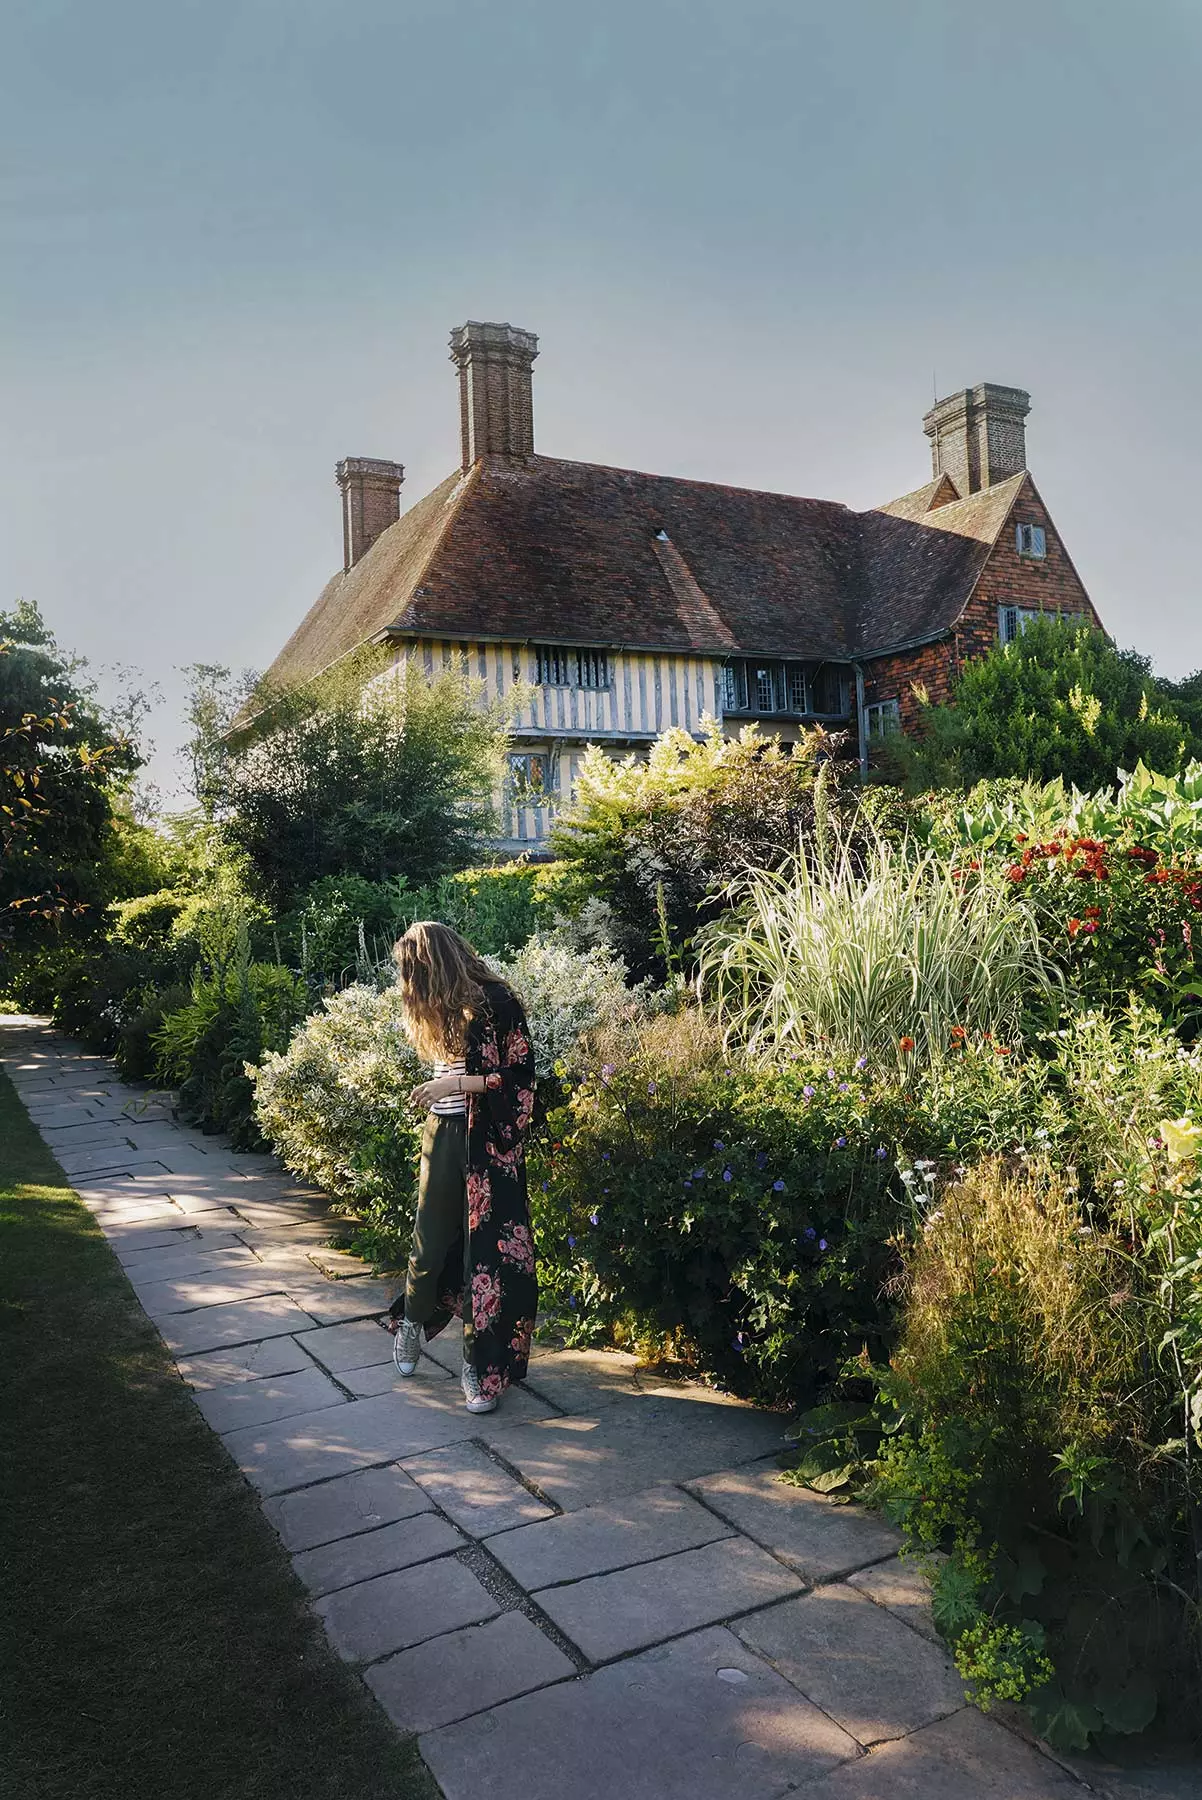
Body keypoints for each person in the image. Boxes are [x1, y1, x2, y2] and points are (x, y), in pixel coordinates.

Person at [387, 921, 538, 1414]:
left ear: (435, 962)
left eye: (414, 970)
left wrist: (451, 1088)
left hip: (487, 1141)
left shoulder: (497, 1001)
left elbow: (520, 1075)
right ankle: (410, 1324)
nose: (410, 983)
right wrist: (441, 1095)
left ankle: (478, 1370)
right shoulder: (435, 1006)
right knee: (429, 1243)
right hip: (443, 1134)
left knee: (484, 1259)